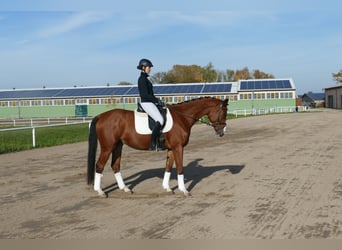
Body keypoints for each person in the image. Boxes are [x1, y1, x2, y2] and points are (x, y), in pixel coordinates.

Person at [137, 58, 165, 151]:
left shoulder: (146, 79)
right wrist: (156, 100)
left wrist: (157, 101)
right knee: (160, 120)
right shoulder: (142, 80)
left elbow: (150, 94)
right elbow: (145, 95)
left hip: (150, 102)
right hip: (146, 103)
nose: (150, 69)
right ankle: (152, 143)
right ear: (143, 67)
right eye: (149, 67)